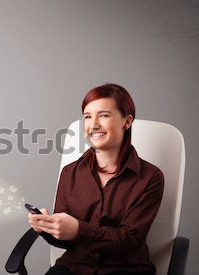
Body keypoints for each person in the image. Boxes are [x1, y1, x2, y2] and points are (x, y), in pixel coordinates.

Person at [28, 83, 164, 275]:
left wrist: (78, 230)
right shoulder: (70, 172)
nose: (94, 125)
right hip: (75, 266)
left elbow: (130, 240)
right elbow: (65, 238)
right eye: (87, 117)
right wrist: (48, 227)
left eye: (104, 115)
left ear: (127, 122)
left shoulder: (150, 177)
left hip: (125, 268)